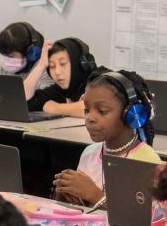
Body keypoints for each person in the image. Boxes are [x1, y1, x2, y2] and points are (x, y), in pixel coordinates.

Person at [53, 69, 159, 207]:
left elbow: (145, 222)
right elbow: (83, 210)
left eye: (102, 111)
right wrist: (67, 196)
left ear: (131, 114)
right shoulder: (89, 153)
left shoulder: (148, 163)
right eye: (87, 110)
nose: (90, 118)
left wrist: (95, 195)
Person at [26, 37, 96, 118]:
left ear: (81, 64)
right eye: (52, 66)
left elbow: (94, 108)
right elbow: (23, 101)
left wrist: (56, 108)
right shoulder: (61, 90)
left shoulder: (101, 80)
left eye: (63, 64)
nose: (57, 72)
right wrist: (41, 65)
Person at [0, 21, 53, 90]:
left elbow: (42, 97)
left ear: (30, 52)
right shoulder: (5, 67)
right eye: (5, 55)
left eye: (11, 56)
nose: (7, 60)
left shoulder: (45, 69)